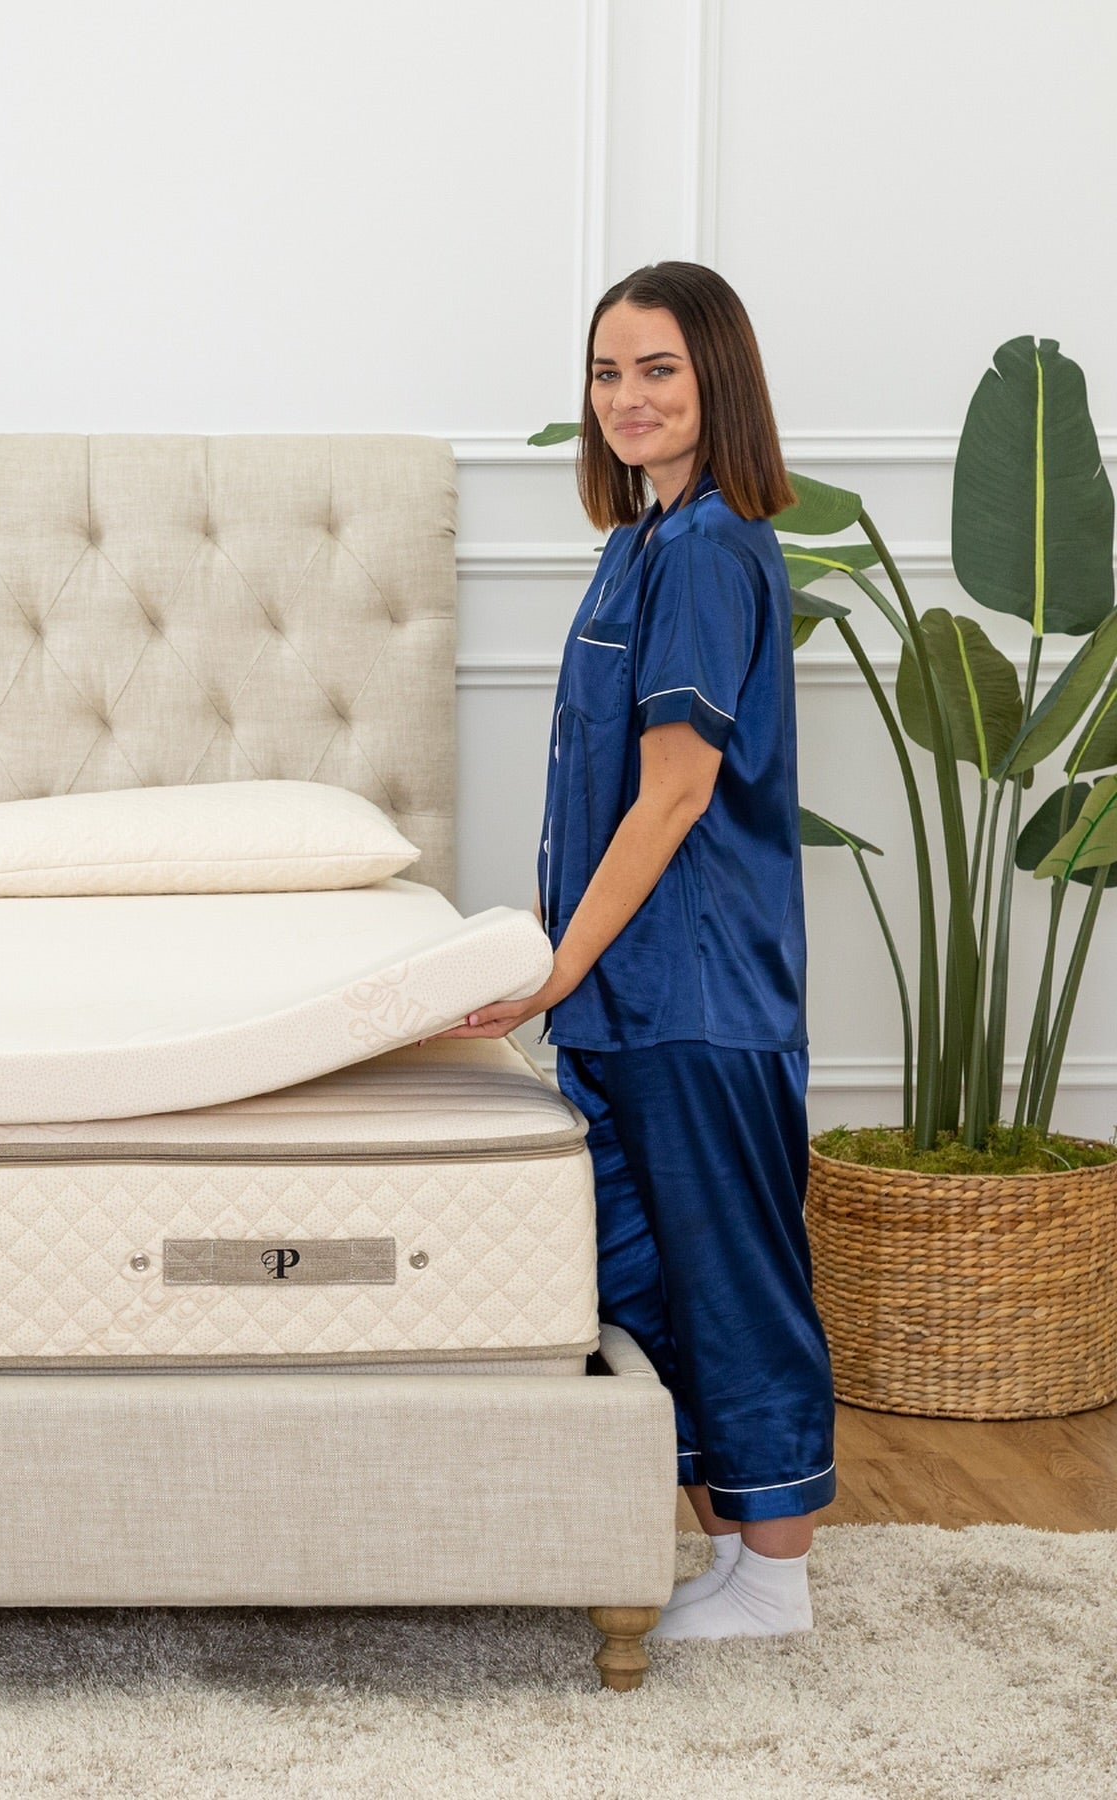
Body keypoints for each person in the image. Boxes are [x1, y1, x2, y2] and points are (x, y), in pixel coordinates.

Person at [437, 261, 836, 1640]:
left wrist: (547, 972)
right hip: (628, 994)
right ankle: (734, 1548)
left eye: (657, 369)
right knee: (648, 1270)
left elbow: (672, 795)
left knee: (731, 1270)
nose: (628, 399)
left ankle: (777, 1575)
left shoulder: (716, 549)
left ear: (717, 379)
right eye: (608, 373)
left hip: (699, 991)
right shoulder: (642, 544)